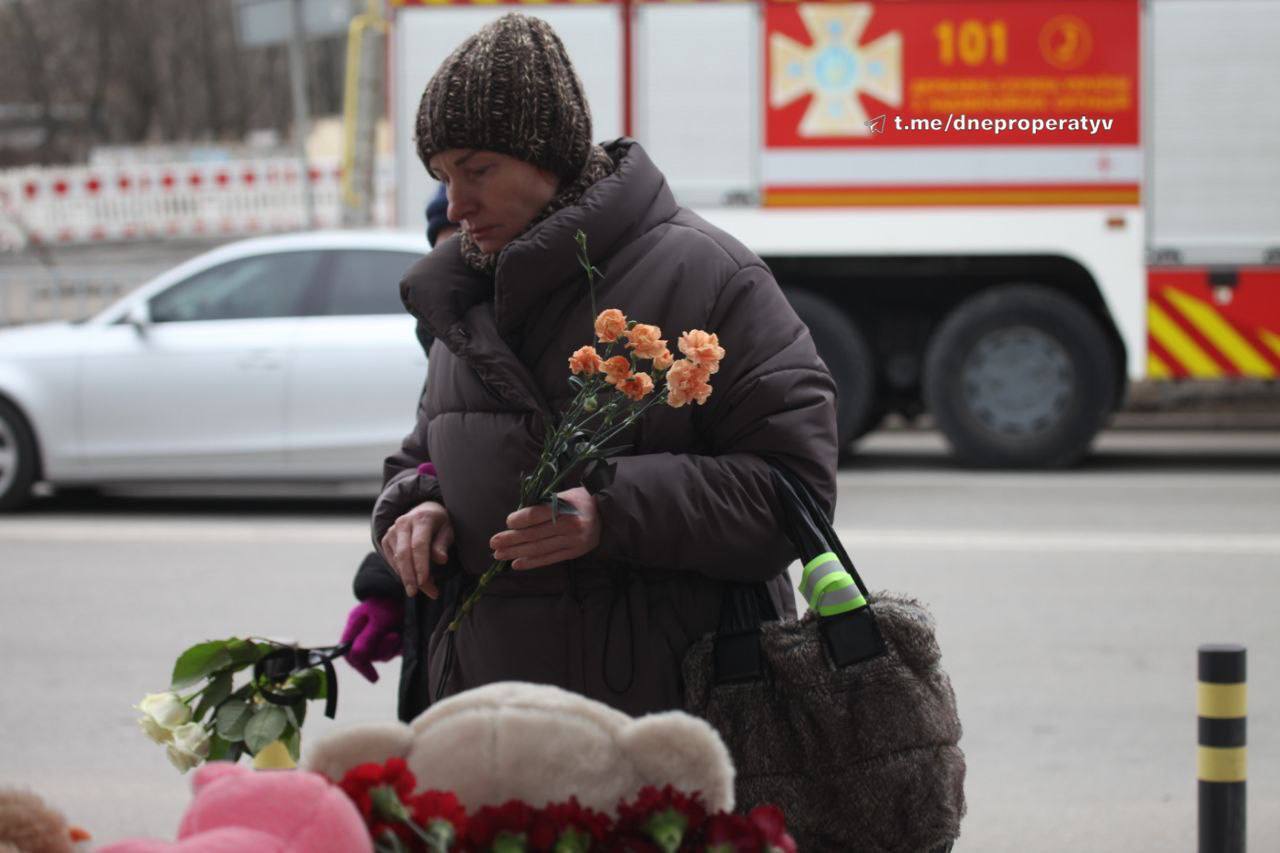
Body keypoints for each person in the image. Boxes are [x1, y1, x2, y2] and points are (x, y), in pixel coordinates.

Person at [353, 12, 839, 719]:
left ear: (549, 156)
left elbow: (794, 492)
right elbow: (423, 458)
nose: (455, 204)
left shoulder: (709, 275)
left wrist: (612, 512)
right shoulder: (462, 294)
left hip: (661, 723)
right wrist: (415, 509)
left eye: (479, 170)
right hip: (492, 721)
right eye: (442, 175)